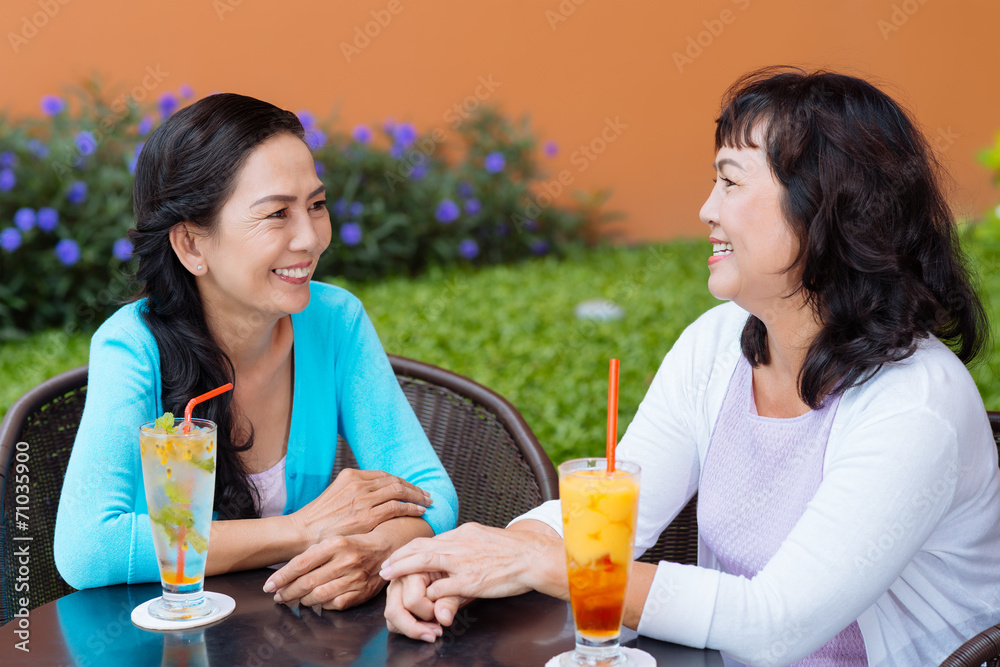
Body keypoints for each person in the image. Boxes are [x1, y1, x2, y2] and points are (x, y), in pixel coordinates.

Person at [378, 67, 1000, 665]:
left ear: (827, 208)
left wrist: (544, 566)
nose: (706, 209)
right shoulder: (719, 341)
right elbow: (613, 513)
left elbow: (776, 623)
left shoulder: (914, 404)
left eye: (731, 182)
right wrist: (464, 564)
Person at [54, 93, 458, 611]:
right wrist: (301, 530)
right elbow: (88, 548)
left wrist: (376, 548)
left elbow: (431, 492)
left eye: (316, 205)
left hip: (294, 637)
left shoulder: (335, 322)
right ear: (192, 246)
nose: (310, 239)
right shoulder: (132, 347)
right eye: (276, 215)